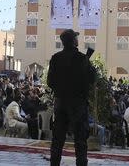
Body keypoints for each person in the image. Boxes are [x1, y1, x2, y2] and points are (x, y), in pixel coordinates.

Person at [48, 29, 96, 166]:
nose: (77, 39)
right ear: (74, 41)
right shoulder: (82, 58)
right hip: (77, 104)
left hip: (60, 103)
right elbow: (92, 79)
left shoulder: (55, 58)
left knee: (58, 139)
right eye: (76, 37)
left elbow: (50, 82)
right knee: (80, 140)